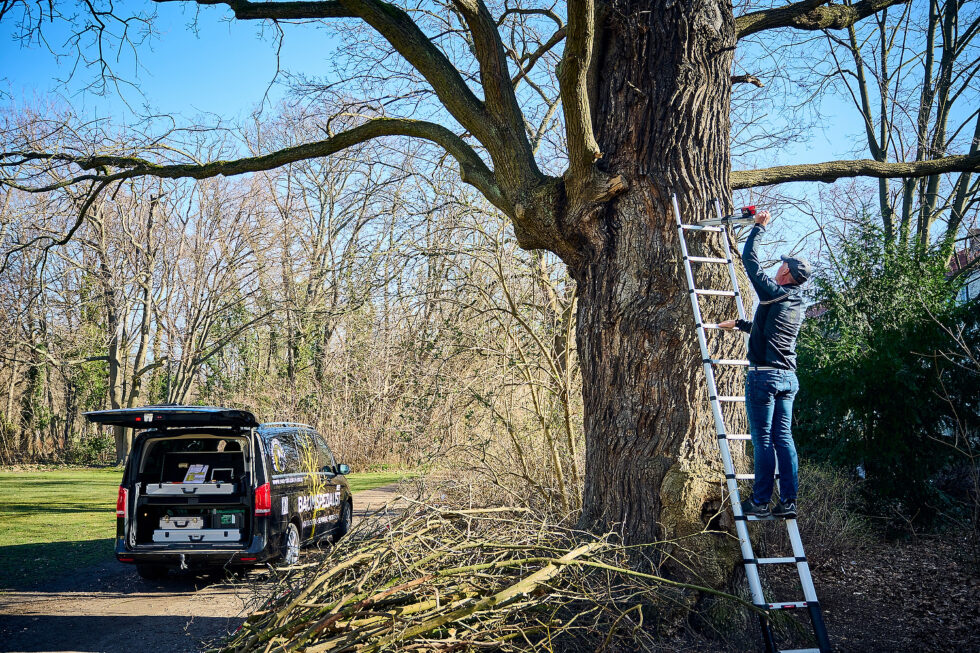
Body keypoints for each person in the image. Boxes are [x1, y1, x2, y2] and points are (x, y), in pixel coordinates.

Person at [718, 209, 811, 519]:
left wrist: (759, 228)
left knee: (763, 441)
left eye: (783, 264)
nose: (779, 265)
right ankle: (789, 503)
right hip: (788, 378)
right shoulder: (795, 302)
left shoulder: (774, 292)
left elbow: (750, 262)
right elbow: (772, 331)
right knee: (783, 438)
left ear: (786, 273)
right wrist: (741, 325)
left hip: (765, 378)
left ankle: (760, 502)